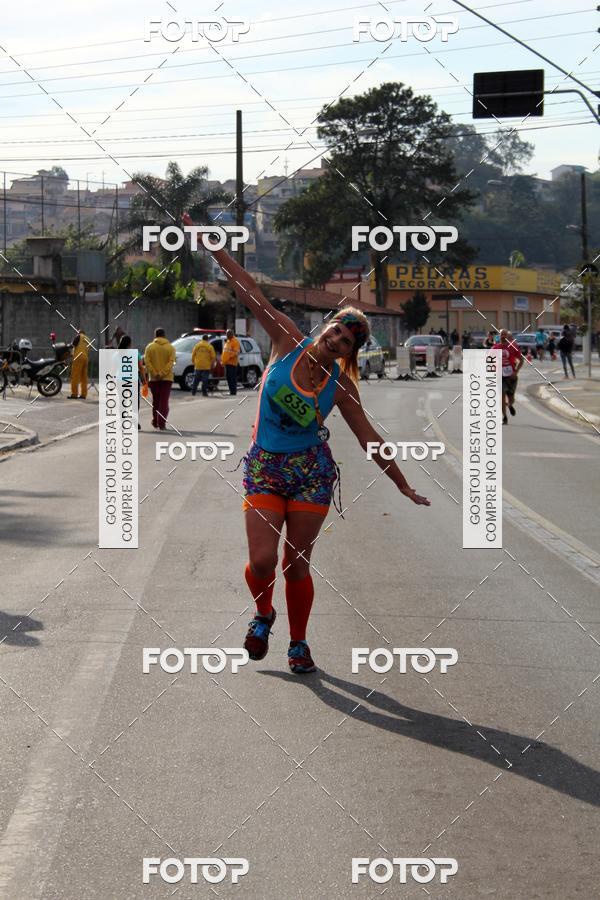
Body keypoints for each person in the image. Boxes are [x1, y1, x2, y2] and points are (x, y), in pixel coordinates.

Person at [183, 213, 430, 676]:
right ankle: (263, 614)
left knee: (296, 564)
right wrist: (212, 246)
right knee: (260, 561)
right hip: (264, 467)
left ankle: (298, 643)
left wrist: (401, 484)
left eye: (346, 340)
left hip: (311, 476)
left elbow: (370, 439)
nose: (336, 338)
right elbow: (249, 289)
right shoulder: (285, 339)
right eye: (336, 329)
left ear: (348, 353)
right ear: (326, 328)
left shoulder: (341, 386)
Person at [144, 328, 176, 430]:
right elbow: (171, 363)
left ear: (155, 336)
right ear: (164, 335)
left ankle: (155, 421)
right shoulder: (171, 348)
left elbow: (147, 362)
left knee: (156, 401)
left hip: (153, 379)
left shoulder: (149, 347)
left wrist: (155, 373)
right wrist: (162, 373)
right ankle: (161, 423)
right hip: (167, 379)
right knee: (164, 402)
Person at [117, 334, 148, 430]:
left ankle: (123, 422)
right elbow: (141, 368)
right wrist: (144, 380)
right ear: (130, 343)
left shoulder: (117, 353)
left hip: (120, 380)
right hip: (133, 381)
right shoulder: (135, 353)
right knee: (134, 403)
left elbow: (113, 368)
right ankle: (134, 421)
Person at [499, 329, 524, 424]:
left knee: (511, 398)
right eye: (502, 334)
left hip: (511, 376)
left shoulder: (513, 348)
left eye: (506, 335)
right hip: (500, 376)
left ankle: (509, 405)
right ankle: (504, 417)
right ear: (499, 336)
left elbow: (521, 360)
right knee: (502, 395)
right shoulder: (495, 347)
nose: (504, 336)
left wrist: (516, 372)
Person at [69, 329, 91, 399]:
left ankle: (74, 394)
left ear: (79, 332)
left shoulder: (78, 336)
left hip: (78, 357)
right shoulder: (88, 339)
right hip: (85, 358)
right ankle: (83, 394)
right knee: (84, 377)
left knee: (75, 376)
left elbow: (73, 345)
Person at [222, 328, 241, 395]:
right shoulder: (228, 341)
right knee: (229, 378)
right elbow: (225, 352)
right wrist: (223, 361)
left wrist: (228, 357)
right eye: (226, 334)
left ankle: (233, 391)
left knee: (232, 378)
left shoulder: (235, 341)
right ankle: (231, 391)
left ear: (231, 334)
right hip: (227, 363)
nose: (226, 335)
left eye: (228, 334)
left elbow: (236, 352)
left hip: (232, 363)